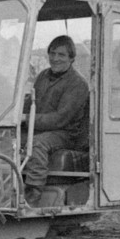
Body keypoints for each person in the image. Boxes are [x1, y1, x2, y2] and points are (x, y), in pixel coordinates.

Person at [22, 35, 89, 206]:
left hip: (66, 134)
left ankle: (33, 193)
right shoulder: (43, 76)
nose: (55, 58)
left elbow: (61, 119)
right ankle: (8, 188)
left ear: (71, 58)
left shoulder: (78, 84)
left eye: (61, 55)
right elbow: (31, 103)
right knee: (6, 140)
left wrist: (28, 119)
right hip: (41, 128)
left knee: (37, 144)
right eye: (52, 53)